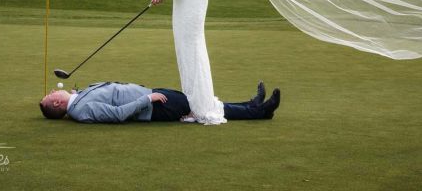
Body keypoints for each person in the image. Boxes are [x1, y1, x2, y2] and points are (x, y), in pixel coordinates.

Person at [39, 81, 280, 123]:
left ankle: (252, 105)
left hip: (152, 95)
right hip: (154, 106)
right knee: (200, 107)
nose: (51, 91)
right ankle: (259, 111)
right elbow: (117, 114)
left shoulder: (78, 101)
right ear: (58, 105)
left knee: (199, 101)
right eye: (51, 95)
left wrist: (77, 92)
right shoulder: (82, 110)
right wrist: (147, 99)